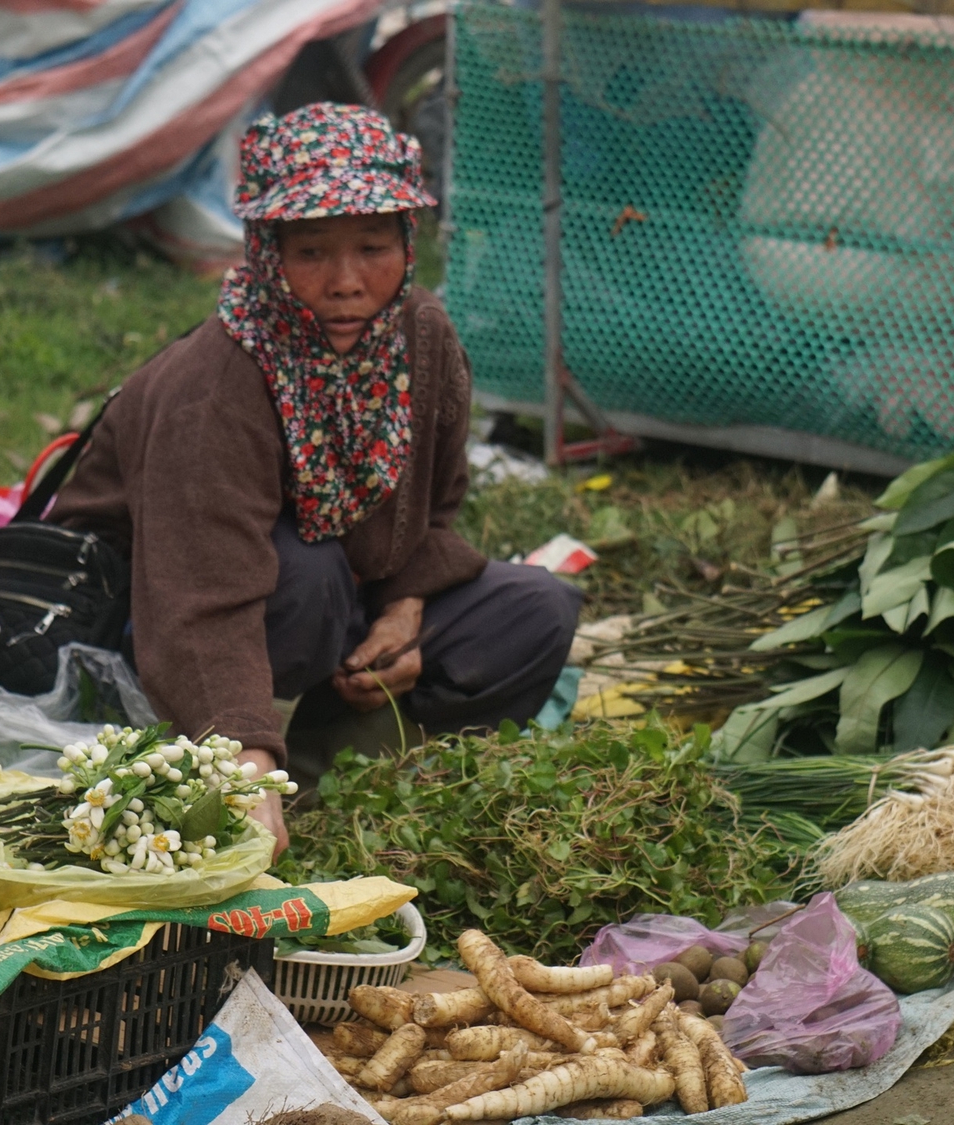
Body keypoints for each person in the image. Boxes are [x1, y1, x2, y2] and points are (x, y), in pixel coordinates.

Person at [48, 104, 583, 854]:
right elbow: (201, 597)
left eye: (373, 246)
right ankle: (244, 763)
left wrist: (404, 614)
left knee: (538, 609)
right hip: (151, 619)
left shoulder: (422, 339)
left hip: (334, 602)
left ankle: (327, 771)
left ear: (407, 241)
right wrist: (241, 759)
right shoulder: (218, 382)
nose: (346, 283)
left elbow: (437, 512)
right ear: (266, 252)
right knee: (308, 572)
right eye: (311, 252)